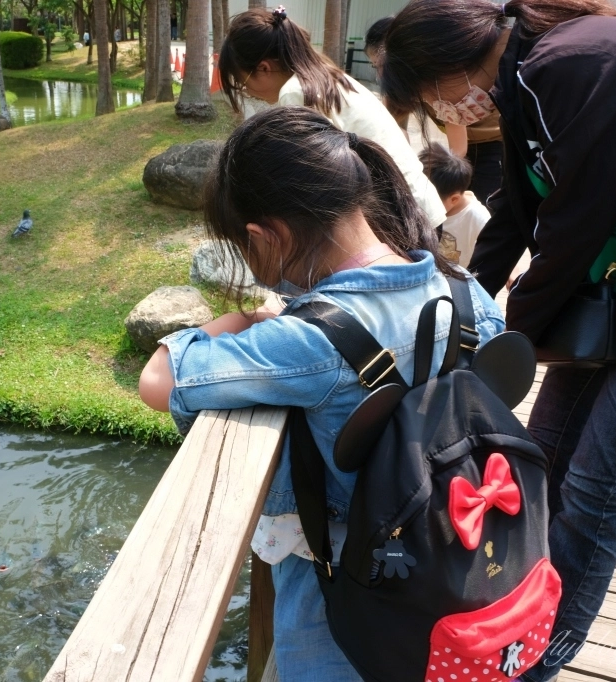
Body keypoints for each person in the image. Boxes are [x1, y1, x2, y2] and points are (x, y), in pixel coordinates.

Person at [138, 106, 505, 681]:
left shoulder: (310, 339)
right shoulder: (464, 292)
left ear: (266, 235)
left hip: (344, 589)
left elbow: (158, 380)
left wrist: (241, 317)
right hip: (458, 557)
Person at [380, 2, 616, 679]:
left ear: (446, 66)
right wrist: (450, 291)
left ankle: (535, 660)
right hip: (613, 297)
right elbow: (523, 215)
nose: (443, 110)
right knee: (539, 462)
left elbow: (579, 219)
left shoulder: (577, 60)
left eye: (431, 96)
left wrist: (510, 338)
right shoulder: (525, 76)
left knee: (599, 485)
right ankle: (514, 618)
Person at [217, 7, 447, 230]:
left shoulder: (295, 92)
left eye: (244, 84)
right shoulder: (327, 76)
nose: (248, 92)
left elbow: (309, 176)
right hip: (417, 205)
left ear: (264, 68)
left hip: (399, 217)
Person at [366, 15, 503, 204]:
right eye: (375, 66)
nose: (380, 75)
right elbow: (386, 128)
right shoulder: (401, 85)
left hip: (489, 145)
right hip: (461, 149)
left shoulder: (438, 81)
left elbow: (458, 150)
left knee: (480, 209)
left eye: (382, 65)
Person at [419, 142, 490, 268]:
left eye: (430, 201)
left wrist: (511, 273)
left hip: (462, 280)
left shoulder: (477, 216)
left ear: (454, 199)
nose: (424, 206)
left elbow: (496, 246)